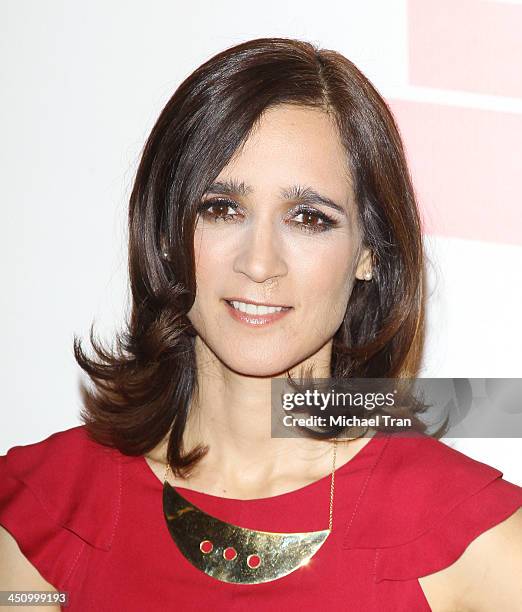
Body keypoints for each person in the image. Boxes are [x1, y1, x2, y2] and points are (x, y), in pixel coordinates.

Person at [1, 37, 521, 611]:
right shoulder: (39, 522)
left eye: (308, 218)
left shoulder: (474, 545)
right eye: (222, 209)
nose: (258, 263)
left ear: (369, 251)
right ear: (168, 229)